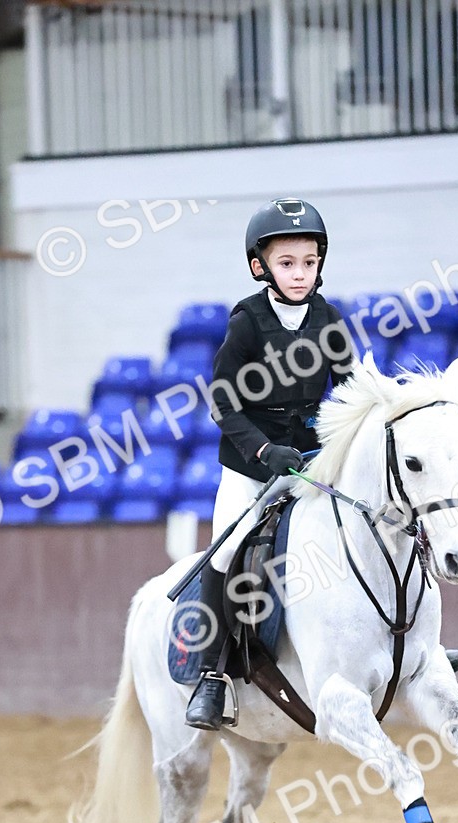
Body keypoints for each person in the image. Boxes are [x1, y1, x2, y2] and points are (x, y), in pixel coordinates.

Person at [185, 197, 353, 729]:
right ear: (261, 267)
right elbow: (222, 401)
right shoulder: (247, 322)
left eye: (308, 262)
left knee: (376, 518)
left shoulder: (330, 319)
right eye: (287, 263)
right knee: (225, 550)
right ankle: (211, 675)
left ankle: (406, 642)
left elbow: (353, 392)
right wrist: (262, 450)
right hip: (250, 464)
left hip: (310, 460)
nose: (300, 273)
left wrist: (341, 443)